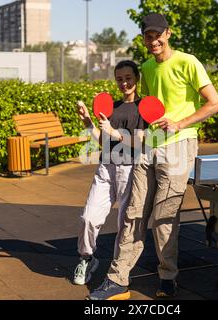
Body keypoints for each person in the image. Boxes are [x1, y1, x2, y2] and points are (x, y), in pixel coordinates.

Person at [88, 13, 218, 300]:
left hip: (179, 145)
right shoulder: (146, 68)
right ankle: (117, 278)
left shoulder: (188, 62)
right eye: (148, 36)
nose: (154, 40)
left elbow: (214, 104)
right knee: (133, 214)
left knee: (164, 218)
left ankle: (168, 277)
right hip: (150, 145)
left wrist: (180, 123)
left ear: (168, 33)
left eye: (158, 35)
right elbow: (146, 112)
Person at [72, 60, 147, 286]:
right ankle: (87, 258)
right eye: (119, 79)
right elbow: (102, 140)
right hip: (106, 167)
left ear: (137, 79)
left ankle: (118, 270)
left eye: (128, 78)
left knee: (126, 224)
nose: (124, 83)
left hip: (130, 169)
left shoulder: (144, 108)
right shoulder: (111, 108)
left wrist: (114, 133)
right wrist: (88, 121)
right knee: (88, 217)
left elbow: (143, 143)